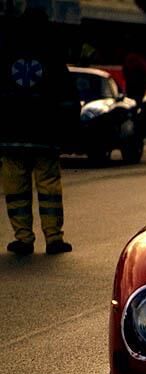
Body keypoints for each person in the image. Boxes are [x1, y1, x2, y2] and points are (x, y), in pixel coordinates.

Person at [0, 8, 78, 255]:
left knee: (16, 190)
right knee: (49, 189)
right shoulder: (53, 57)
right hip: (46, 136)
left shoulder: (5, 56)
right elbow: (68, 99)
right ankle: (54, 238)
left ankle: (23, 238)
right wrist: (67, 133)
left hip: (10, 137)